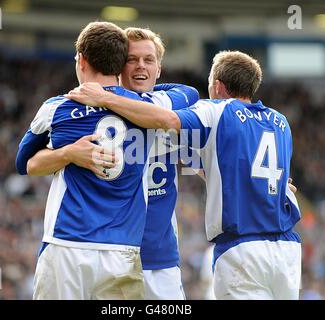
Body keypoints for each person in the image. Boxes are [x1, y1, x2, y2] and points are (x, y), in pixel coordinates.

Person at [66, 50, 302, 300]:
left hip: (242, 248)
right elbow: (232, 166)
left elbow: (167, 119)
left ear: (218, 87)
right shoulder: (280, 122)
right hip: (287, 251)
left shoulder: (217, 111)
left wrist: (107, 98)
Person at [21, 27, 200, 299]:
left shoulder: (61, 107)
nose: (141, 67)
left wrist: (107, 97)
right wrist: (69, 152)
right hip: (122, 250)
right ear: (119, 64)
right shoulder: (158, 110)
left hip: (142, 253)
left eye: (149, 60)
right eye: (132, 59)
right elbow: (186, 97)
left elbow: (25, 162)